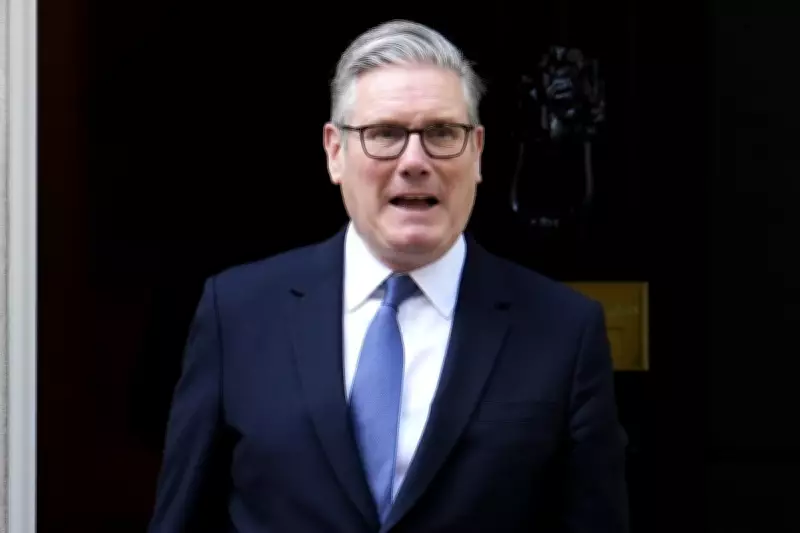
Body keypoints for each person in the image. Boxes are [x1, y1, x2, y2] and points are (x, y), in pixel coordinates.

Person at [148, 19, 629, 533]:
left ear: (477, 152)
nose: (414, 161)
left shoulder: (563, 330)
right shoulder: (239, 313)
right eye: (384, 134)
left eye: (442, 133)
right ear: (335, 152)